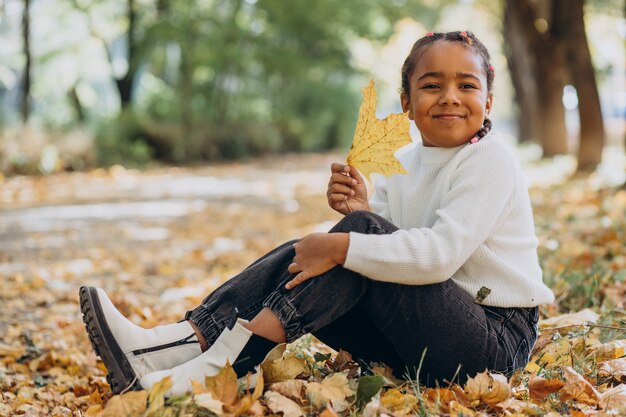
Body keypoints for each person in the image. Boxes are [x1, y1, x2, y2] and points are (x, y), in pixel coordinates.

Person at [80, 30, 554, 396]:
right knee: (318, 250)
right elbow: (391, 253)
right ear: (408, 103)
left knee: (343, 244)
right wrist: (361, 213)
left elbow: (438, 257)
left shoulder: (489, 159)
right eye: (432, 85)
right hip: (423, 336)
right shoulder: (405, 164)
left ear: (488, 100)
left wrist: (351, 237)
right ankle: (172, 345)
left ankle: (211, 366)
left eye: (466, 85)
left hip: (490, 343)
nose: (450, 96)